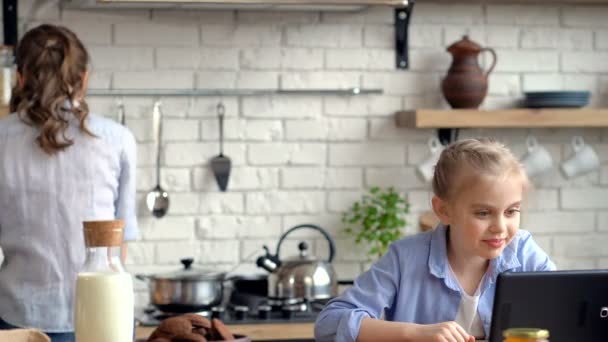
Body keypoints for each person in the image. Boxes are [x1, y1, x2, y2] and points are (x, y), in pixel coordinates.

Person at [315, 138, 556, 342]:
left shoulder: (524, 252)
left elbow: (563, 312)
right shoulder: (405, 259)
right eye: (483, 213)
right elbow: (329, 323)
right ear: (443, 211)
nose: (501, 228)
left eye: (511, 211)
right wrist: (415, 333)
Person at [0, 24, 138, 342]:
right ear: (84, 78)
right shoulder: (118, 140)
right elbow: (119, 247)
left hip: (18, 320)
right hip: (105, 318)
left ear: (20, 78)